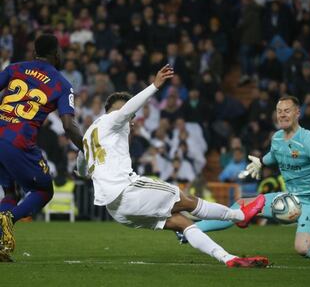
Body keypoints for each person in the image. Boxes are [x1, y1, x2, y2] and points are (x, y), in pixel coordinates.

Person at [77, 65, 269, 268]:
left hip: (116, 210)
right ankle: (240, 215)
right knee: (186, 200)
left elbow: (81, 168)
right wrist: (155, 86)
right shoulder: (113, 118)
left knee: (181, 222)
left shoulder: (89, 135)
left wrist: (91, 171)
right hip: (127, 191)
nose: (130, 120)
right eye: (129, 115)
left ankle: (227, 258)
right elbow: (126, 109)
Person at [178, 96, 310, 259]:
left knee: (304, 249)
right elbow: (275, 155)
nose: (282, 115)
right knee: (241, 206)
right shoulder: (277, 137)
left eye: (287, 111)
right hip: (291, 199)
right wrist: (261, 161)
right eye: (279, 111)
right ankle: (190, 230)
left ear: (298, 113)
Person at [0, 34, 84, 261]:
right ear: (56, 53)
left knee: (10, 191)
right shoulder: (62, 84)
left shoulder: (15, 68)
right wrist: (86, 147)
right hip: (19, 142)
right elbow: (68, 125)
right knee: (44, 190)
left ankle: (1, 247)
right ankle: (9, 217)